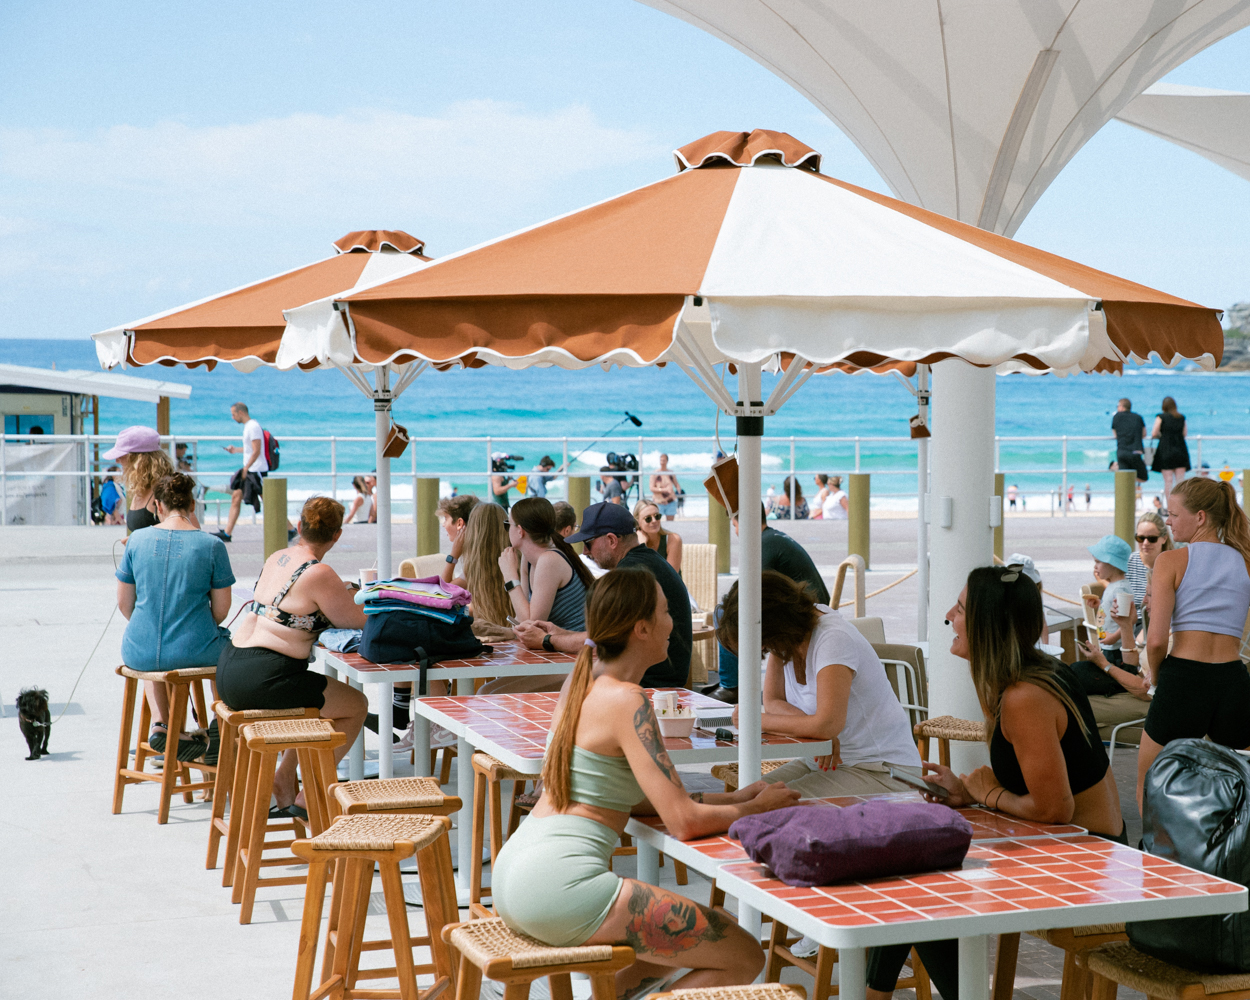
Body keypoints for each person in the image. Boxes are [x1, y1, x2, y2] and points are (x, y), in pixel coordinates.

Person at [492, 567, 799, 990]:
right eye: (666, 610)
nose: (674, 622)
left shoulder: (583, 681)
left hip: (519, 873)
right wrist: (753, 809)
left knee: (669, 951)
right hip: (560, 886)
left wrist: (733, 800)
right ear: (641, 628)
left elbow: (639, 800)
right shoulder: (629, 699)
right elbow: (682, 822)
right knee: (743, 955)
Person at [864, 565, 1125, 1000]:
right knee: (907, 860)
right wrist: (969, 793)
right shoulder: (1016, 679)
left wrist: (987, 793)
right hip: (1069, 847)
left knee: (920, 885)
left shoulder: (1025, 696)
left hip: (1090, 860)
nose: (949, 615)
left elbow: (1055, 811)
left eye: (962, 608)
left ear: (988, 625)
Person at [216, 497, 369, 815]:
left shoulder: (278, 557)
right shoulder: (320, 572)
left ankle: (285, 777)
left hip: (231, 668)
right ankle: (309, 795)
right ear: (336, 535)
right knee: (356, 706)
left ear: (299, 527)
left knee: (315, 709)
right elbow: (356, 621)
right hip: (265, 676)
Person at [717, 571, 922, 796]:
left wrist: (756, 721)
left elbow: (827, 724)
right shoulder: (786, 639)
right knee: (746, 798)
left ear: (775, 625)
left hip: (880, 770)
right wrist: (817, 730)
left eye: (764, 644)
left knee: (765, 806)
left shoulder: (833, 638)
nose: (766, 650)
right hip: (824, 761)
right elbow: (774, 700)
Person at [1136, 477, 1250, 808]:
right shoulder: (1244, 562)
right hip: (1232, 680)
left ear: (1200, 517)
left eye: (1172, 514)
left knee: (1151, 782)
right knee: (1237, 788)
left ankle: (1151, 857)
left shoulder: (1170, 561)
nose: (1168, 522)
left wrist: (1156, 678)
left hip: (1184, 678)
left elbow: (1156, 641)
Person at [116, 472, 234, 761]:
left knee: (151, 657)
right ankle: (220, 723)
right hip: (194, 649)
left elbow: (124, 604)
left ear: (157, 506)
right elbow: (221, 610)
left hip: (137, 649)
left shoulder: (136, 540)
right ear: (192, 505)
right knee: (230, 649)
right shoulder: (212, 545)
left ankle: (161, 723)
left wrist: (156, 624)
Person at [515, 503, 692, 689]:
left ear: (612, 540)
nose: (585, 552)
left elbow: (602, 643)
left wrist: (546, 640)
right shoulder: (646, 564)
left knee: (506, 693)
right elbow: (608, 636)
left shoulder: (632, 576)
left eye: (588, 543)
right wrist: (559, 632)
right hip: (654, 680)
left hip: (649, 686)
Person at [706, 507, 832, 704]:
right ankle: (732, 679)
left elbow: (750, 593)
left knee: (724, 613)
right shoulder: (772, 538)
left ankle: (732, 685)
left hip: (804, 612)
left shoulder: (763, 544)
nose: (737, 532)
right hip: (808, 605)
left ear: (745, 523)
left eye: (735, 526)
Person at [485, 498, 598, 695]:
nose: (507, 530)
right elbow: (523, 621)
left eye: (507, 525)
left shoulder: (549, 560)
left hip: (580, 658)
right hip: (560, 655)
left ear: (520, 531)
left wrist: (510, 578)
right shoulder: (530, 560)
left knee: (490, 695)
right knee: (488, 691)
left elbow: (531, 624)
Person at [215, 402, 276, 543]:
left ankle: (290, 529)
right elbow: (250, 449)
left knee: (269, 501)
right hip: (250, 469)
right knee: (236, 497)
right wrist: (235, 449)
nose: (232, 417)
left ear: (241, 412)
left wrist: (246, 468)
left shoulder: (253, 427)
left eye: (233, 414)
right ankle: (227, 533)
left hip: (256, 470)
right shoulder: (249, 427)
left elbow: (257, 450)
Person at [102, 425, 178, 534]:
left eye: (121, 455)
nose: (117, 460)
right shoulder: (139, 487)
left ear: (139, 459)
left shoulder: (168, 490)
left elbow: (186, 535)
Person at [461, 501, 513, 627]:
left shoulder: (473, 565)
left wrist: (453, 556)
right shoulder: (515, 557)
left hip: (487, 632)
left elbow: (445, 595)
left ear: (474, 531)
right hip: (513, 631)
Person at [1126, 511, 1171, 618]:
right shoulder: (1128, 563)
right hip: (1134, 623)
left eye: (1152, 539)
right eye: (1140, 538)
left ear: (1164, 538)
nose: (1145, 543)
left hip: (1163, 621)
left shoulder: (1172, 564)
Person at [1151, 396, 1191, 499]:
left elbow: (1154, 432)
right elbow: (1184, 433)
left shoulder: (1161, 417)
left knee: (1168, 481)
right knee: (1180, 481)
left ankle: (1170, 507)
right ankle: (1181, 507)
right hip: (1180, 449)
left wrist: (1162, 435)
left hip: (1166, 450)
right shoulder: (1181, 417)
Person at [437, 493, 480, 588]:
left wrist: (453, 556)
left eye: (446, 519)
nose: (444, 524)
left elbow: (445, 592)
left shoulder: (478, 559)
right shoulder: (479, 550)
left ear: (459, 523)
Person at [634, 499, 683, 574]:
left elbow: (670, 577)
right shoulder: (632, 542)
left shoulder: (673, 539)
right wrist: (641, 545)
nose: (654, 521)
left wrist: (642, 548)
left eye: (657, 516)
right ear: (638, 522)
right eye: (648, 518)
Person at [1111, 398, 1148, 484]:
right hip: (1136, 451)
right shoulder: (1138, 417)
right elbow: (1144, 433)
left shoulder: (1116, 417)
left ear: (1121, 407)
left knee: (1125, 477)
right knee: (1144, 477)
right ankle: (1119, 471)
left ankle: (1114, 467)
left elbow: (1115, 434)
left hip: (1122, 451)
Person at [650, 454, 683, 520]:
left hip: (670, 501)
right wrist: (664, 490)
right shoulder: (655, 473)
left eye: (664, 460)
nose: (662, 462)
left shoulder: (670, 473)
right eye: (661, 460)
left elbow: (676, 484)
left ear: (667, 461)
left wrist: (679, 493)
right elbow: (651, 488)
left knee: (670, 524)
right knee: (657, 523)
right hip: (659, 501)